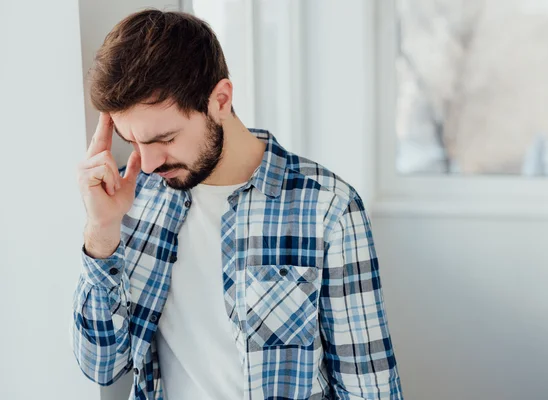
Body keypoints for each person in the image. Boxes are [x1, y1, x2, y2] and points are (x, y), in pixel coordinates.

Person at [71, 9, 402, 400]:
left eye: (165, 138)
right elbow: (101, 366)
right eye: (134, 142)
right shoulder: (131, 197)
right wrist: (101, 231)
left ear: (221, 100)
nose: (150, 161)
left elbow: (370, 389)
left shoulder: (327, 208)